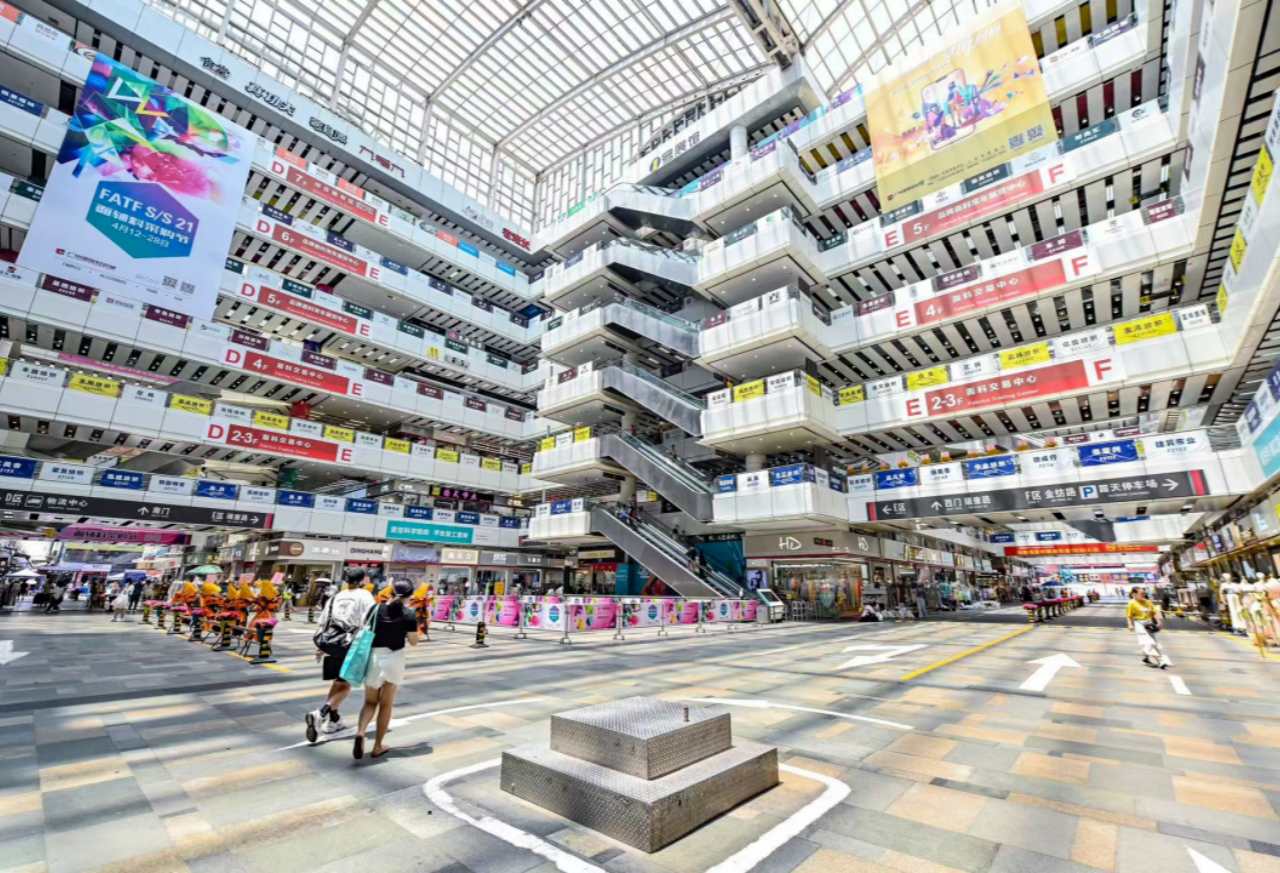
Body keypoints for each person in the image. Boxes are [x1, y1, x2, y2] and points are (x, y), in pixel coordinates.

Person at [305, 568, 376, 743]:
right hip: (351, 644)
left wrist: (321, 648)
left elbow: (323, 622)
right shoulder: (365, 596)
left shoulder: (336, 596)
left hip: (331, 642)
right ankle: (321, 713)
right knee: (345, 685)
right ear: (362, 580)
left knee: (338, 681)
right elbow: (371, 621)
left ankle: (333, 720)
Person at [355, 578, 420, 760]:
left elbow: (366, 628)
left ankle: (360, 732)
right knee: (386, 705)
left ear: (390, 592)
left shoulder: (375, 609)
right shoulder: (409, 614)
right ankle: (377, 746)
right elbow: (413, 642)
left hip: (374, 658)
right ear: (410, 595)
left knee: (369, 702)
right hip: (394, 659)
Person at [1126, 586, 1171, 668]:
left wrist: (1159, 622)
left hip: (1149, 624)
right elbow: (1129, 616)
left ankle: (1146, 658)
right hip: (1139, 624)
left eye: (1144, 593)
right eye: (1141, 593)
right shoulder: (1131, 603)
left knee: (1153, 642)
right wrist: (1130, 624)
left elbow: (1154, 612)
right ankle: (1160, 661)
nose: (1143, 595)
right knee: (1149, 642)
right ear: (1134, 594)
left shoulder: (1148, 602)